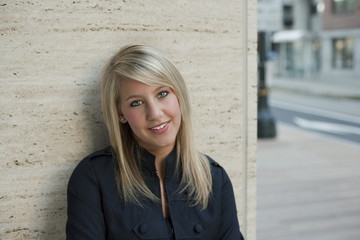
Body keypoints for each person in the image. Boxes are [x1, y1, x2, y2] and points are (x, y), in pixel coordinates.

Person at [66, 44, 244, 240]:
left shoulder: (214, 178)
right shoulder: (93, 178)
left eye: (162, 94)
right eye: (136, 102)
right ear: (120, 114)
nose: (155, 113)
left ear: (179, 95)